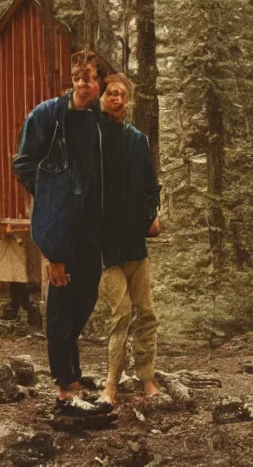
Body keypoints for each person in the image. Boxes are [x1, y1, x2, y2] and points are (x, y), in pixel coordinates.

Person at [13, 49, 111, 417]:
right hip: (61, 228)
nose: (84, 84)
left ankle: (73, 376)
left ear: (100, 82)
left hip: (92, 230)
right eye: (78, 77)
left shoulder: (99, 122)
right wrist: (50, 193)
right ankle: (64, 390)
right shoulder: (48, 116)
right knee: (60, 305)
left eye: (90, 77)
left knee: (84, 299)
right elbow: (23, 164)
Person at [94, 73, 162, 406]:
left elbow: (150, 185)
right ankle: (111, 383)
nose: (116, 98)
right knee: (120, 314)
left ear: (128, 99)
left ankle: (145, 377)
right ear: (102, 97)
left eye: (121, 93)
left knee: (146, 312)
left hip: (135, 241)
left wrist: (153, 214)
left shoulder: (137, 140)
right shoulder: (92, 137)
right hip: (107, 245)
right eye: (111, 93)